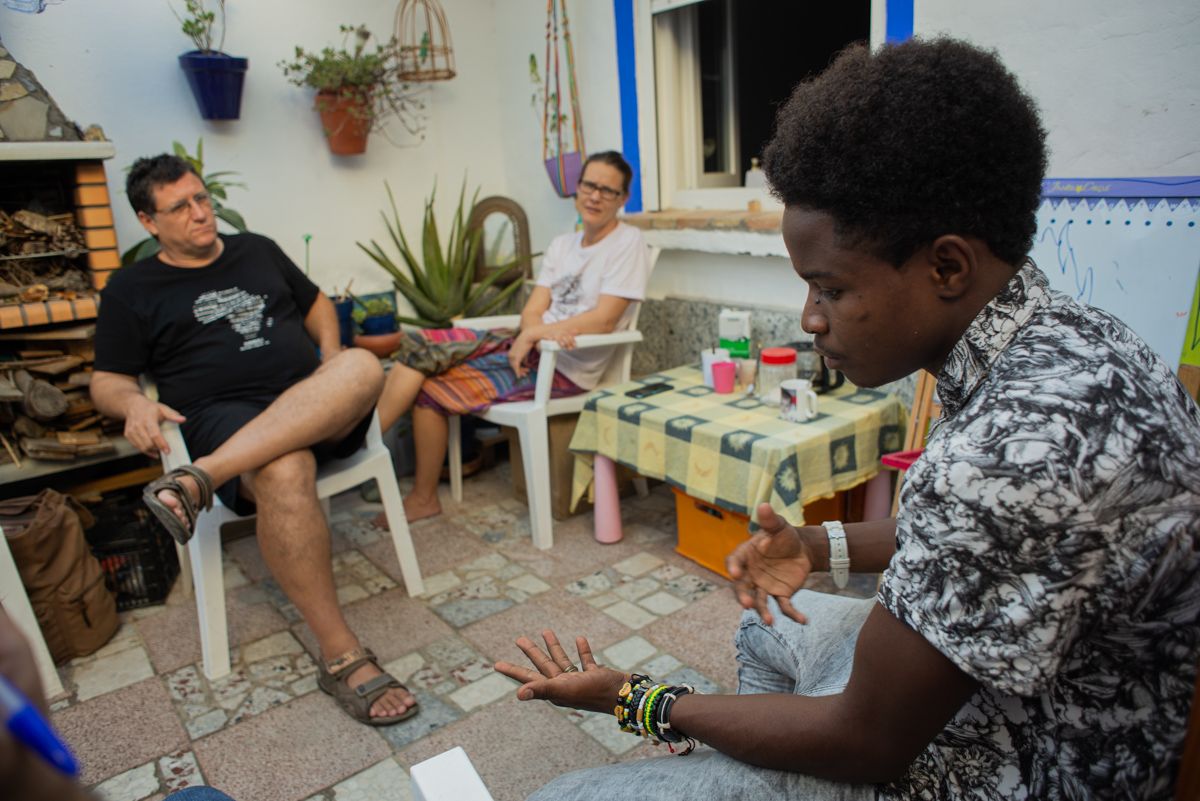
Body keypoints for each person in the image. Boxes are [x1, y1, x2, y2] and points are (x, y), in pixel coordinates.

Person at [493, 37, 1200, 800]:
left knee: (564, 796)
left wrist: (635, 698)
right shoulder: (1068, 336)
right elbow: (979, 533)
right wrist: (814, 542)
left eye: (828, 288)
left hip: (997, 763)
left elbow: (866, 740)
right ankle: (745, 766)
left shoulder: (1013, 449)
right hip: (998, 693)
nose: (810, 318)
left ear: (947, 266)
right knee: (763, 624)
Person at [90, 155, 418, 727]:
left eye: (202, 198)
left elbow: (316, 303)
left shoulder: (257, 250)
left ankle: (202, 478)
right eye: (179, 207)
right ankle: (342, 656)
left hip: (312, 405)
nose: (200, 213)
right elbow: (107, 381)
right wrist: (135, 403)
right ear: (148, 221)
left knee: (362, 365)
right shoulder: (131, 288)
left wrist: (330, 352)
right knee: (284, 468)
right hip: (223, 418)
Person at [376, 150, 653, 522]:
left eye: (608, 190)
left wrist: (536, 333)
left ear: (622, 199)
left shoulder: (627, 242)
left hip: (565, 367)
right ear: (577, 187)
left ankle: (370, 459)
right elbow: (532, 309)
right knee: (421, 345)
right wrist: (533, 332)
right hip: (532, 345)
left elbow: (604, 321)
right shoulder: (563, 245)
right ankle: (369, 453)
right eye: (589, 185)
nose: (595, 196)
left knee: (428, 387)